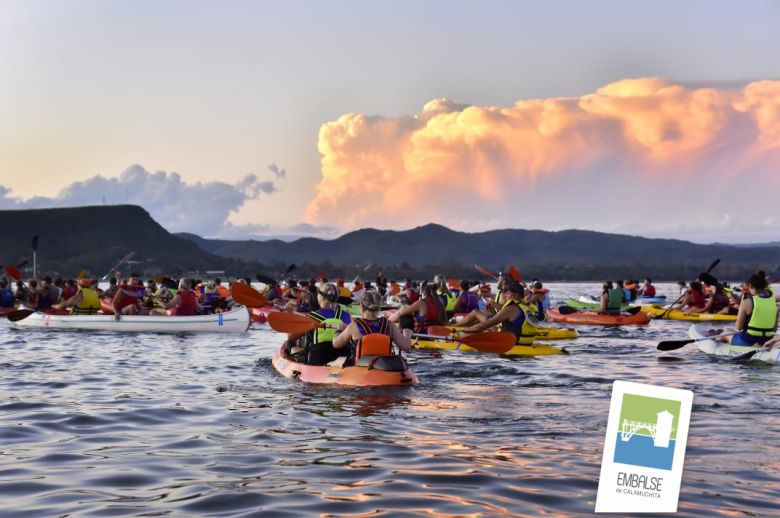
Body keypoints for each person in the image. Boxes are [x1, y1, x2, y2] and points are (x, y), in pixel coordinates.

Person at [332, 291, 412, 366]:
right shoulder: (389, 325)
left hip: (359, 368)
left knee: (337, 361)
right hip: (384, 367)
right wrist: (407, 333)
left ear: (362, 307)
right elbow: (406, 347)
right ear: (378, 307)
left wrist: (339, 330)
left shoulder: (354, 326)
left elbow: (336, 344)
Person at [289, 283, 353, 365]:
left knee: (291, 347)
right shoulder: (347, 316)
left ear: (320, 298)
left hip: (318, 357)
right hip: (343, 354)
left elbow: (291, 336)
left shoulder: (312, 317)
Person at [458, 281, 538, 345]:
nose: (505, 295)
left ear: (516, 295)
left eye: (508, 293)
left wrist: (465, 330)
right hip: (527, 342)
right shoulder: (529, 306)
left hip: (512, 342)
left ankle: (457, 330)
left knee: (472, 333)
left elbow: (485, 325)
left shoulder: (510, 309)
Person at [721, 272, 778, 347]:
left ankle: (718, 345)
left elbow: (738, 327)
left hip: (748, 341)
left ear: (750, 286)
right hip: (767, 340)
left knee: (725, 332)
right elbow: (774, 329)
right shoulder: (773, 302)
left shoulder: (747, 301)